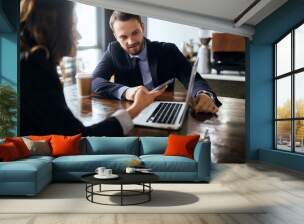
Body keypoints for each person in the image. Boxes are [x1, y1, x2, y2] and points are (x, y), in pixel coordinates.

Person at [19, 0, 164, 137]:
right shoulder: (35, 69)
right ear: (53, 29)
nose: (79, 35)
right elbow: (78, 138)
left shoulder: (31, 63)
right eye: (72, 27)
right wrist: (135, 108)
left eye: (135, 33)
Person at [92, 11, 222, 113]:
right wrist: (126, 92)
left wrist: (203, 94)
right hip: (130, 113)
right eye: (123, 37)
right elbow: (95, 80)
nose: (131, 41)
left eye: (135, 33)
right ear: (115, 36)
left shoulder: (168, 51)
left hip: (166, 111)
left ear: (142, 27)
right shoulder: (114, 51)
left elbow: (194, 80)